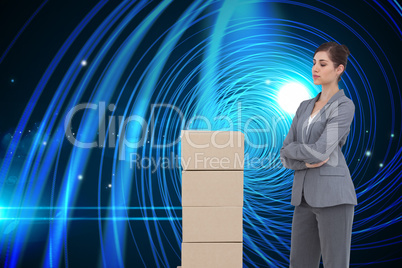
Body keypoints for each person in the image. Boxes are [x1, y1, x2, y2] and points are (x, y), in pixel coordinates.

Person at [279, 41, 357, 268]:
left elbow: (322, 151)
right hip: (302, 197)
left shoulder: (344, 106)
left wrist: (296, 153)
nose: (315, 68)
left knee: (335, 263)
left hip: (334, 197)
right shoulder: (304, 106)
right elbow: (284, 152)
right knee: (299, 263)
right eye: (314, 63)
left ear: (339, 69)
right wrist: (303, 160)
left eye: (323, 64)